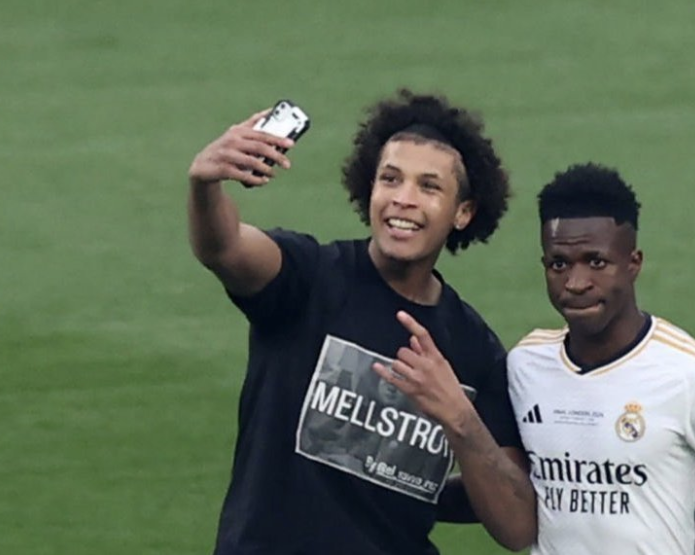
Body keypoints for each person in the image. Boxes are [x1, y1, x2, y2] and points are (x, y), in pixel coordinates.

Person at [187, 89, 535, 555]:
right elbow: (224, 247)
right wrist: (205, 184)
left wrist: (459, 418)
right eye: (390, 179)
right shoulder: (307, 279)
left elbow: (517, 526)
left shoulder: (473, 349)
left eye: (429, 187)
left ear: (463, 212)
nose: (403, 200)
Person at [507, 163, 695, 554]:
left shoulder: (694, 373)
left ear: (634, 263)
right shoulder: (526, 365)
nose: (576, 283)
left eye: (596, 262)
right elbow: (507, 489)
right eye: (558, 264)